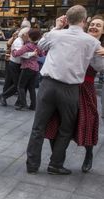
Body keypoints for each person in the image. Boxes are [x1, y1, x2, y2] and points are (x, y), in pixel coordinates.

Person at [26, 6, 104, 175]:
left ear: (67, 20)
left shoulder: (55, 34)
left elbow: (40, 45)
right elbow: (99, 66)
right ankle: (55, 164)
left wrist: (57, 27)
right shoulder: (92, 42)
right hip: (70, 89)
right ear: (84, 21)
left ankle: (32, 165)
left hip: (48, 85)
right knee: (66, 128)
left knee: (38, 127)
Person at [12, 28, 44, 111]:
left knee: (20, 86)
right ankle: (33, 105)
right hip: (35, 68)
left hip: (27, 68)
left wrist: (13, 50)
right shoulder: (38, 46)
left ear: (29, 36)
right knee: (31, 88)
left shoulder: (27, 46)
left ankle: (23, 104)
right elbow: (41, 55)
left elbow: (16, 54)